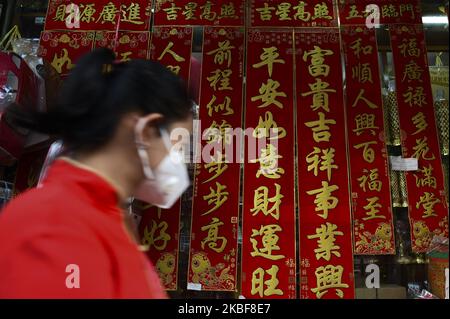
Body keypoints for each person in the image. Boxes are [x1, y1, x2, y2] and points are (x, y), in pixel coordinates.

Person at [0, 48, 193, 298]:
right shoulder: (57, 224)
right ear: (146, 130)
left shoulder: (105, 218)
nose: (181, 161)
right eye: (180, 143)